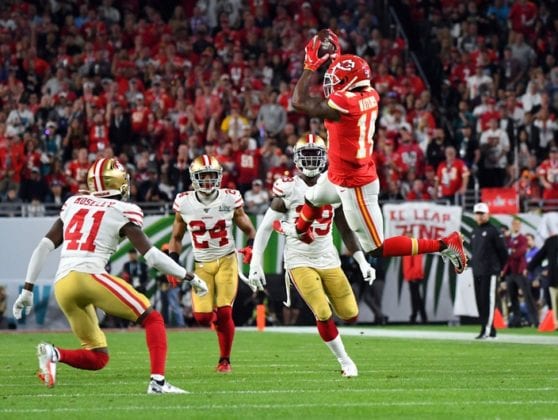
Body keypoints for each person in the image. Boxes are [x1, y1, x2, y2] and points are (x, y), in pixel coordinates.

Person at [276, 29, 467, 276]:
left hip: (354, 184)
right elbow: (351, 78)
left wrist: (310, 66)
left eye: (337, 81)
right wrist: (337, 58)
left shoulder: (345, 104)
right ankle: (300, 231)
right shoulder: (370, 94)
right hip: (341, 173)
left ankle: (444, 244)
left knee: (376, 248)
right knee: (313, 198)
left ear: (349, 83)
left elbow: (298, 102)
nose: (332, 85)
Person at [11, 158, 208, 394]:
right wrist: (190, 276)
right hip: (90, 276)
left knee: (98, 356)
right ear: (116, 182)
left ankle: (53, 354)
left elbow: (43, 247)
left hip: (63, 283)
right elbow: (153, 257)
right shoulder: (122, 210)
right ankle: (158, 383)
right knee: (153, 319)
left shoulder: (73, 202)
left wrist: (27, 290)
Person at [248, 134, 375, 377]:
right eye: (305, 155)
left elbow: (345, 229)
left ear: (324, 157)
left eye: (315, 155)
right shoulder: (289, 187)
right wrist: (256, 262)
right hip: (299, 259)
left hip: (328, 257)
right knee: (323, 312)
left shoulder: (334, 185)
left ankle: (341, 345)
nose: (310, 160)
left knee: (350, 314)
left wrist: (362, 261)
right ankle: (345, 361)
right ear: (296, 158)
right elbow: (265, 228)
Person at [169, 154, 256, 373]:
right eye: (203, 176)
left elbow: (249, 229)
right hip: (202, 265)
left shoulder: (229, 198)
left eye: (211, 175)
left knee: (225, 312)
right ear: (193, 177)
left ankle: (224, 360)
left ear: (219, 176)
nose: (208, 180)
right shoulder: (184, 202)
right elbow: (176, 237)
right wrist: (173, 263)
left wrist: (251, 246)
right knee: (202, 317)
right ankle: (219, 326)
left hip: (227, 260)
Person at [470, 202, 508, 339]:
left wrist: (499, 268)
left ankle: (485, 329)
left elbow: (503, 252)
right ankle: (490, 329)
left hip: (490, 271)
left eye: (482, 213)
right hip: (477, 271)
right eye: (477, 213)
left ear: (488, 214)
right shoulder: (474, 232)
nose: (479, 216)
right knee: (480, 301)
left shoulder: (494, 231)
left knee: (488, 301)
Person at [501, 218, 538, 327]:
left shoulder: (523, 239)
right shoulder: (508, 239)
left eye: (518, 224)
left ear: (520, 226)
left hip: (520, 271)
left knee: (527, 296)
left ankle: (535, 321)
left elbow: (519, 253)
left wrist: (510, 251)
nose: (516, 226)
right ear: (511, 225)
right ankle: (516, 321)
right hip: (510, 272)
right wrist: (510, 251)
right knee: (512, 297)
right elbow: (504, 252)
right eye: (514, 224)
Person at [527, 233, 558, 331]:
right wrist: (528, 268)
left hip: (553, 278)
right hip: (554, 279)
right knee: (554, 303)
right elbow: (539, 256)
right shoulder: (551, 241)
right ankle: (556, 323)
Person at [402, 252, 428, 324]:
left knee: (416, 298)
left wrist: (414, 276)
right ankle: (419, 316)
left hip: (414, 277)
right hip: (412, 276)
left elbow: (417, 263)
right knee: (416, 297)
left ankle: (416, 316)